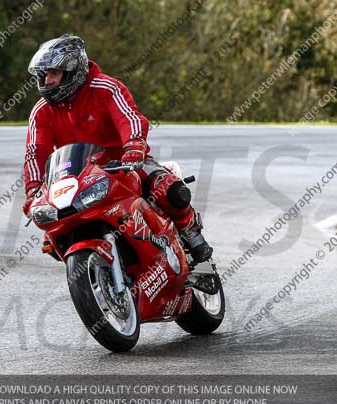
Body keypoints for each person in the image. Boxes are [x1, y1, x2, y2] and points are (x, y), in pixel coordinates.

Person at [22, 34, 213, 264]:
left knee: (168, 190)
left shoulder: (106, 88)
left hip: (124, 165)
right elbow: (35, 152)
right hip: (76, 178)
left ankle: (190, 231)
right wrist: (33, 191)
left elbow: (130, 119)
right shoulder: (41, 111)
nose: (48, 81)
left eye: (54, 73)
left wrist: (133, 148)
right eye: (44, 75)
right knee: (51, 239)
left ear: (73, 70)